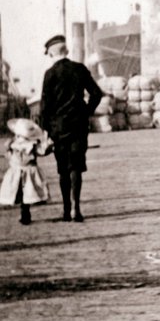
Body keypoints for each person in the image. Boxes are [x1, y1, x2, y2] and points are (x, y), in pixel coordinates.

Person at [39, 34, 104, 222]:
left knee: (63, 169)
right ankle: (77, 207)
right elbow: (97, 94)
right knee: (76, 166)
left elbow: (45, 105)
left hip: (58, 128)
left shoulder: (50, 74)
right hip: (78, 126)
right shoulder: (79, 69)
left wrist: (46, 130)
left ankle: (66, 209)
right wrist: (86, 111)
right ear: (65, 51)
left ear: (52, 53)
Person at [1, 118, 52, 225]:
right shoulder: (30, 145)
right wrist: (48, 144)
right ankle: (25, 212)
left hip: (18, 170)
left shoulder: (13, 144)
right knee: (26, 191)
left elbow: (8, 156)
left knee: (21, 191)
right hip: (27, 170)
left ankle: (24, 212)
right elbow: (42, 151)